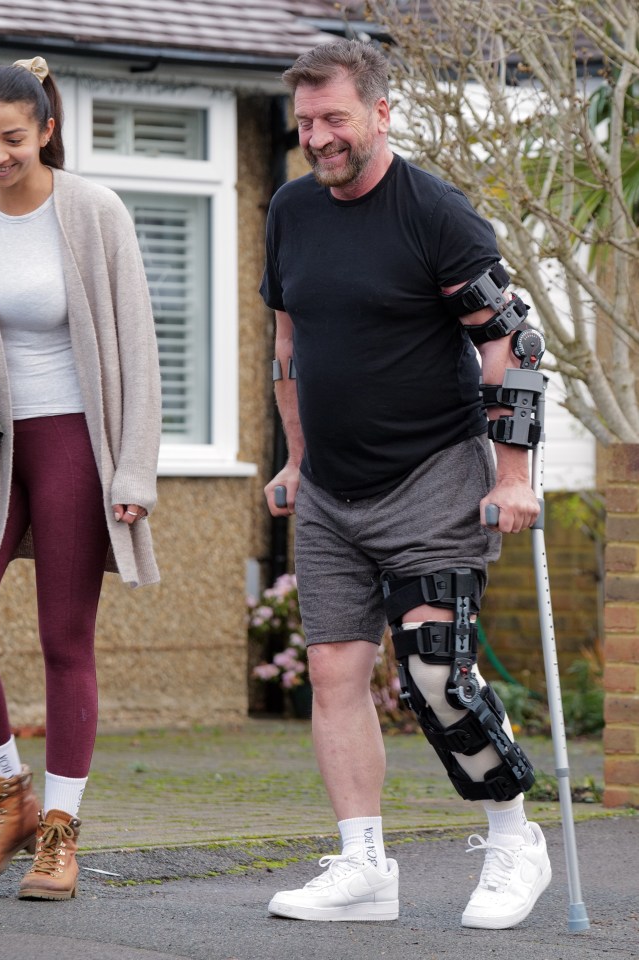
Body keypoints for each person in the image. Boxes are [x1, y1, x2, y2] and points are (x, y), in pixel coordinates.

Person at [260, 39, 551, 929]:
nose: (318, 137)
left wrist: (510, 478)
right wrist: (296, 460)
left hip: (431, 476)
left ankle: (513, 840)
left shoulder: (435, 215)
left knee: (436, 674)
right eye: (305, 122)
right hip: (331, 492)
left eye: (334, 118)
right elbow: (288, 349)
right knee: (335, 672)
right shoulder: (290, 210)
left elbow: (512, 350)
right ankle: (362, 868)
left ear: (380, 113)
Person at [0, 55, 161, 901]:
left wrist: (133, 467)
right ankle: (6, 795)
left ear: (46, 130)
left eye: (11, 138)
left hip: (77, 443)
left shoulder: (94, 211)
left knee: (62, 639)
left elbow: (136, 346)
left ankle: (59, 833)